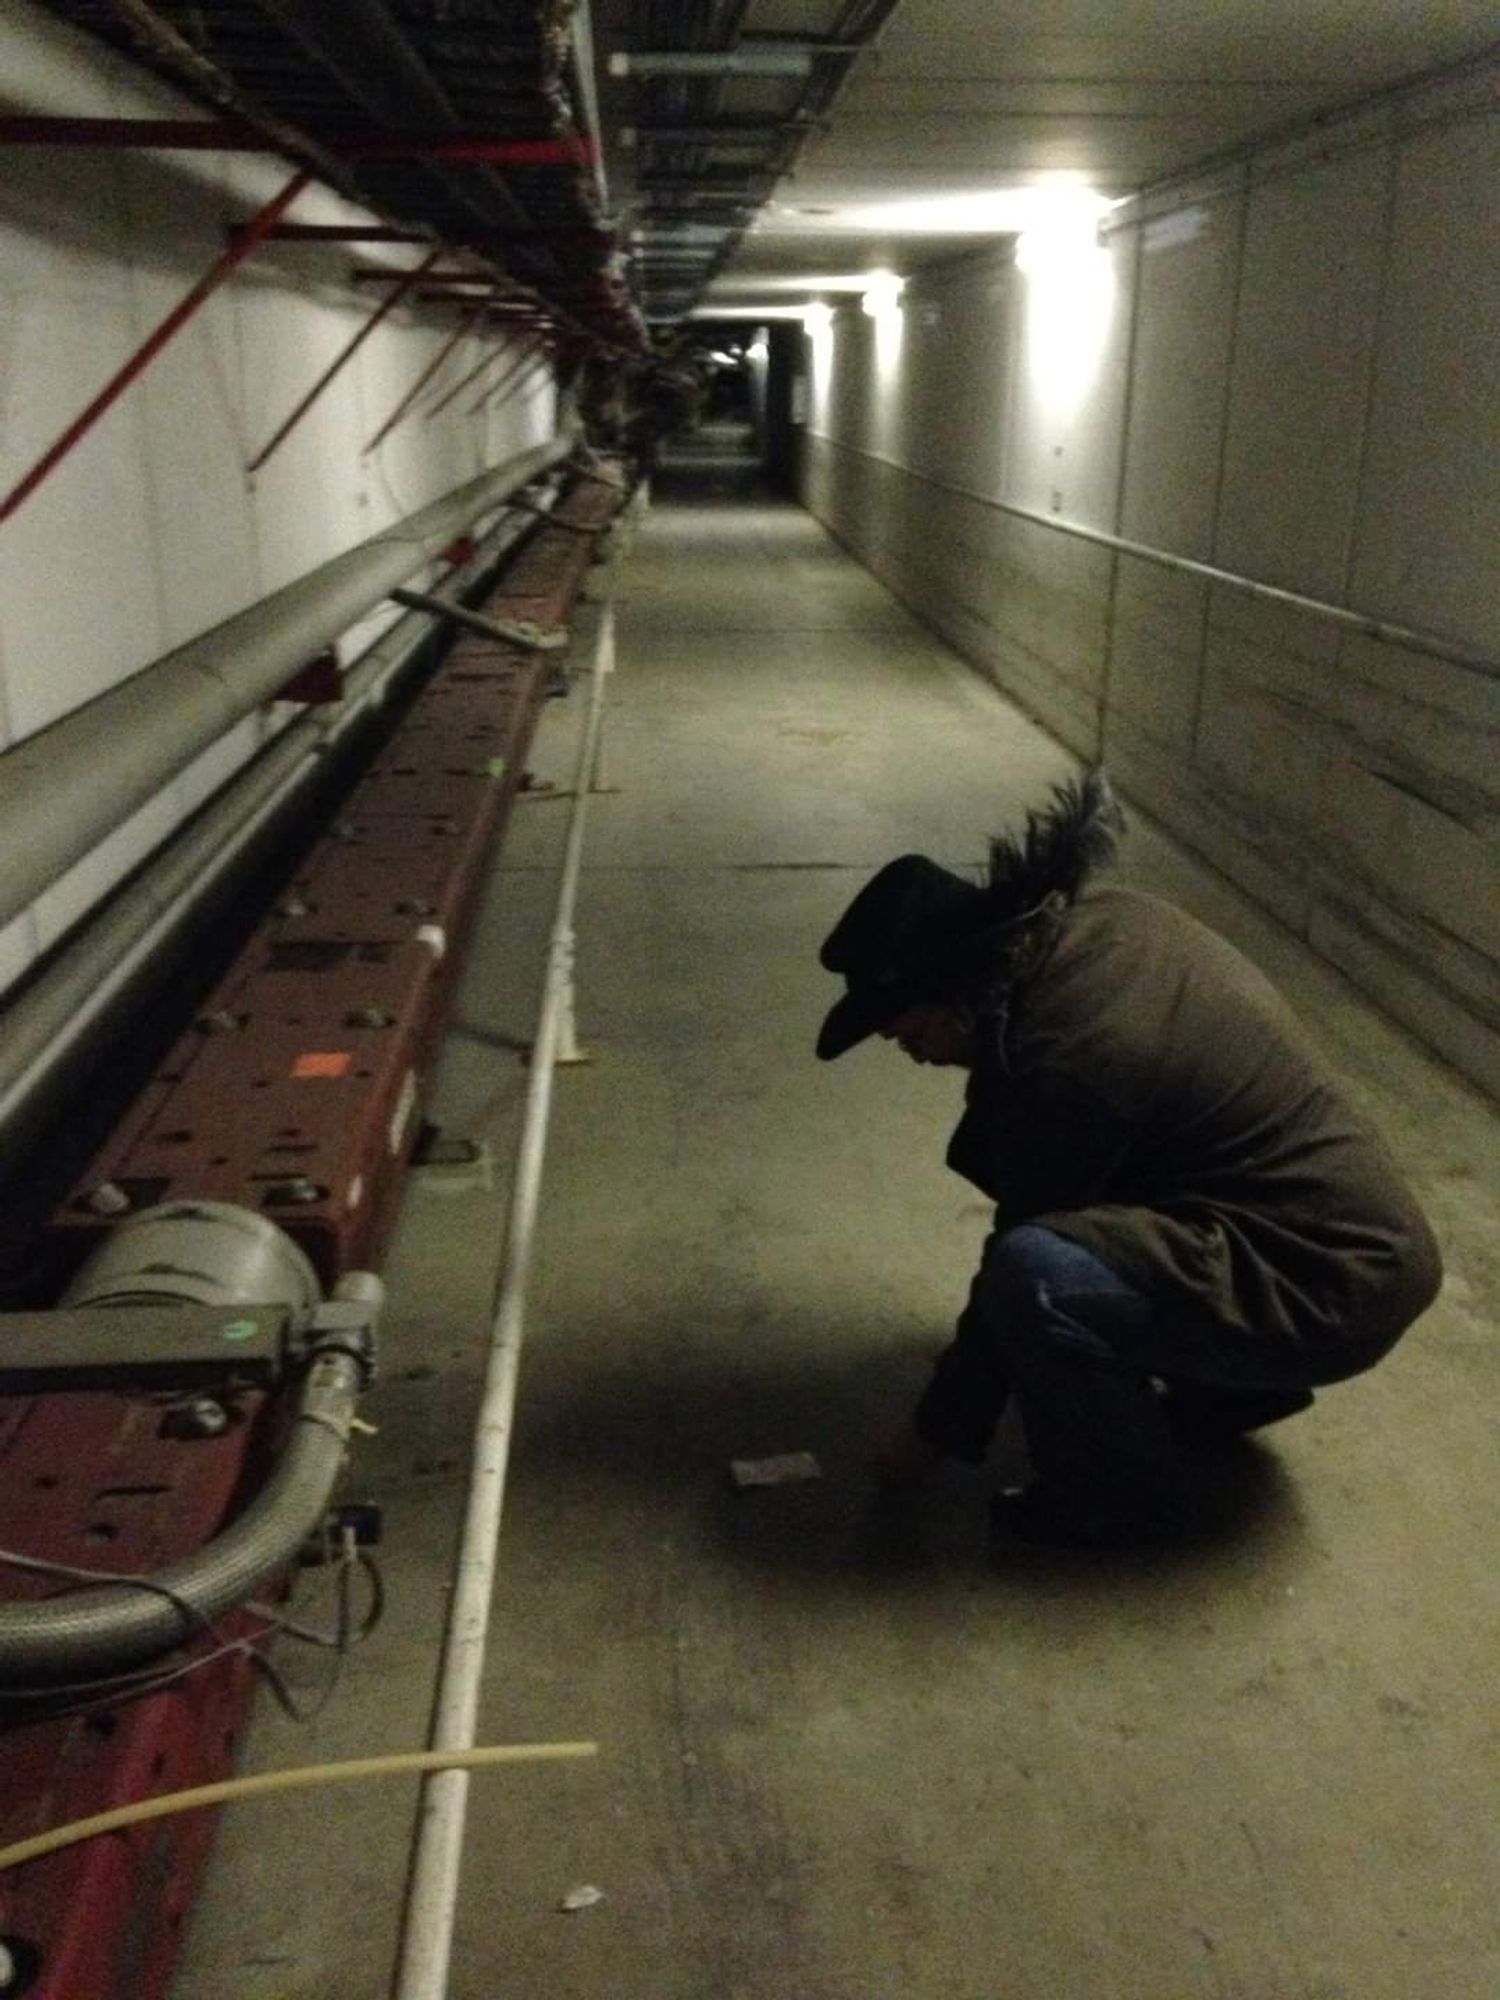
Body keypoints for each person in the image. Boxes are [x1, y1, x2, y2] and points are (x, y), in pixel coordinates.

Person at [816, 770, 1443, 1548]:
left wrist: (933, 1435)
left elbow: (1023, 1239)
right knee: (1088, 1220)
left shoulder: (1071, 1055)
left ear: (956, 994)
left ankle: (1118, 1505)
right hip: (1351, 1246)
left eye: (908, 1032)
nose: (906, 1051)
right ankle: (1225, 1394)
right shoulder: (1095, 926)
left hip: (1329, 1288)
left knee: (1035, 1279)